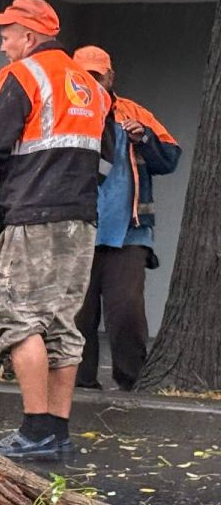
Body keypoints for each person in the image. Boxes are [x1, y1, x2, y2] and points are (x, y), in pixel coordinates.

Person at [0, 0, 110, 460]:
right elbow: (104, 161)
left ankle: (33, 431)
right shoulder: (93, 89)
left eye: (7, 32)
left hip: (31, 217)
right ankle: (57, 433)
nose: (3, 42)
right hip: (81, 220)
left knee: (18, 319)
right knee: (63, 326)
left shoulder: (23, 76)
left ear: (30, 36)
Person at [72, 46, 181, 391]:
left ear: (110, 76)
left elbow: (169, 160)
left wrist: (144, 138)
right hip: (76, 231)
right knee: (78, 315)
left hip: (129, 234)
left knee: (126, 314)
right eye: (84, 77)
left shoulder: (133, 112)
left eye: (97, 76)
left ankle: (131, 383)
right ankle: (80, 383)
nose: (93, 83)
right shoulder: (66, 113)